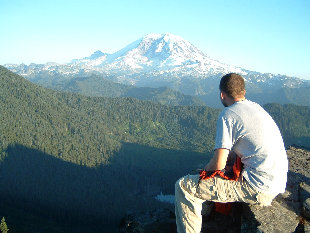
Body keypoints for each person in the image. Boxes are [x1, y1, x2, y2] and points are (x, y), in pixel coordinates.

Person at [175, 73, 288, 233]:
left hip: (259, 188)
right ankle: (205, 214)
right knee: (223, 167)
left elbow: (218, 164)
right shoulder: (256, 107)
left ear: (222, 94)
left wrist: (205, 171)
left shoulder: (228, 114)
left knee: (184, 186)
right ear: (243, 92)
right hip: (277, 181)